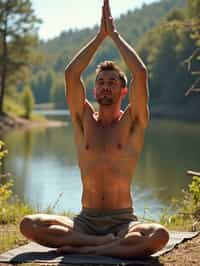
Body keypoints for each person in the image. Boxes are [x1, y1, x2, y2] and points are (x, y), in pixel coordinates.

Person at [20, 0, 169, 258]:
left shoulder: (133, 121)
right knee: (28, 224)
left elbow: (141, 73)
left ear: (123, 90)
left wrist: (116, 36)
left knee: (159, 236)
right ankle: (98, 243)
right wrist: (100, 36)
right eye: (100, 82)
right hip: (85, 220)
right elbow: (71, 74)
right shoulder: (83, 119)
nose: (105, 86)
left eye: (112, 82)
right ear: (94, 89)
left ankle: (90, 246)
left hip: (122, 222)